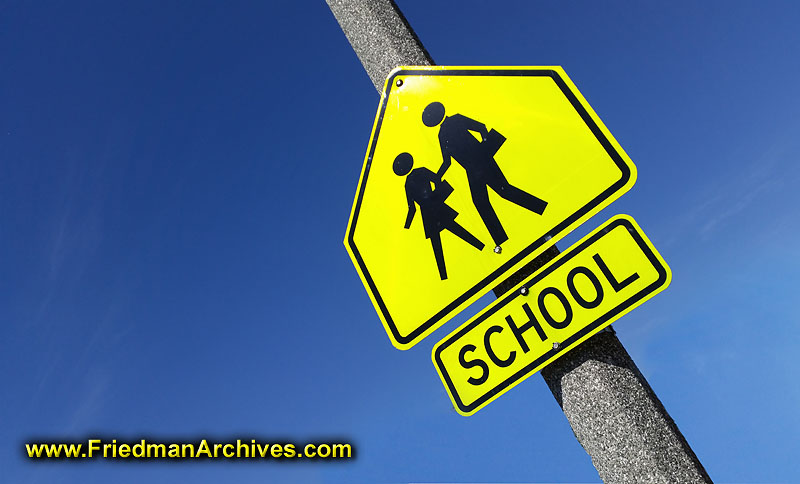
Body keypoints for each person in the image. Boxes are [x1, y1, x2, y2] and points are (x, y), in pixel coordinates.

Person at [422, 101, 547, 248]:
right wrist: (437, 176)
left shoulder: (453, 122)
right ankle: (502, 241)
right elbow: (447, 161)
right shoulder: (443, 133)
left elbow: (480, 128)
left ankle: (540, 208)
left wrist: (485, 149)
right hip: (473, 169)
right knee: (483, 200)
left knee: (504, 190)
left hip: (481, 161)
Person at [393, 152, 484, 280]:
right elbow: (436, 179)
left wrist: (407, 226)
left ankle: (444, 277)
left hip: (427, 213)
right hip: (435, 205)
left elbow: (412, 208)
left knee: (439, 243)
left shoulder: (408, 183)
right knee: (456, 230)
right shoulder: (420, 172)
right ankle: (480, 246)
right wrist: (437, 195)